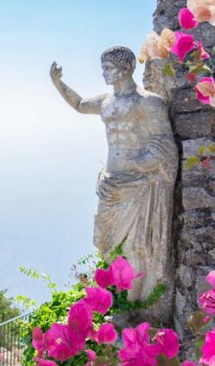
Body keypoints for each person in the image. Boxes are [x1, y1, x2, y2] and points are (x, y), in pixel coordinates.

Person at [50, 46, 177, 304]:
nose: (103, 74)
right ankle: (118, 298)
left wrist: (144, 162)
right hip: (111, 184)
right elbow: (79, 104)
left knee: (135, 245)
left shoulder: (149, 102)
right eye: (102, 68)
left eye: (108, 68)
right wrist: (58, 83)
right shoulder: (106, 102)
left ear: (127, 68)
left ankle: (136, 304)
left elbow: (165, 145)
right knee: (107, 245)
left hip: (137, 184)